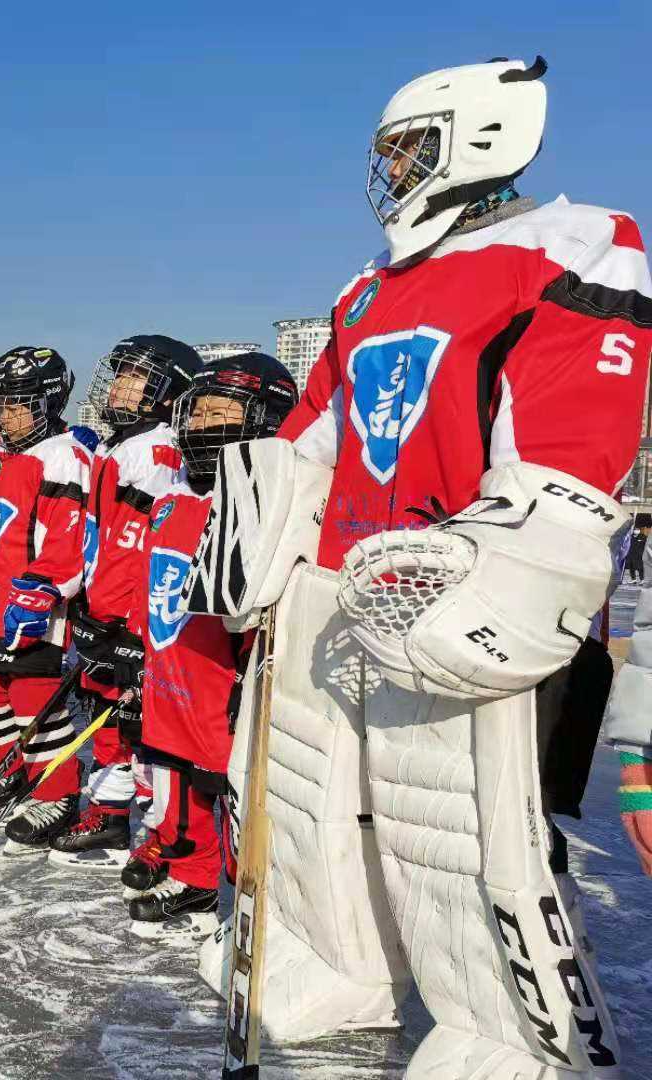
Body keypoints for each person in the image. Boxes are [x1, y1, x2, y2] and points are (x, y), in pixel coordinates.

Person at [184, 57, 647, 1074]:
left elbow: (571, 433)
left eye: (408, 150)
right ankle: (338, 962)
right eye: (387, 152)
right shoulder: (366, 288)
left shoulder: (572, 242)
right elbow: (319, 430)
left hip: (458, 585)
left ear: (477, 137)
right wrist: (260, 534)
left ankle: (513, 1036)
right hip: (345, 585)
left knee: (466, 832)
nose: (390, 171)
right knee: (313, 802)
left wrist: (517, 562)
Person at [125, 353, 295, 940]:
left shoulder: (265, 508)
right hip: (171, 675)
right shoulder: (172, 498)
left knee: (232, 794)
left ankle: (251, 905)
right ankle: (192, 879)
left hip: (222, 683)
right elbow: (150, 585)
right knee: (173, 782)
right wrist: (134, 652)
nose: (201, 426)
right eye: (196, 413)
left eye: (221, 414)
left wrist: (254, 674)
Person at [46, 334, 201, 873]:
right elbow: (102, 536)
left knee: (142, 728)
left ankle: (158, 834)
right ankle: (109, 814)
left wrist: (123, 623)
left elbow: (141, 549)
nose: (119, 386)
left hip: (130, 619)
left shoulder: (154, 452)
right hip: (103, 609)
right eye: (120, 375)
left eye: (136, 378)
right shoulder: (122, 445)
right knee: (108, 718)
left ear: (168, 392)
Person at [0, 346, 91, 852]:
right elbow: (1, 518)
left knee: (34, 699)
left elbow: (69, 533)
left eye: (17, 406)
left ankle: (57, 792)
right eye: (1, 405)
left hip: (31, 604)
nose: (5, 415)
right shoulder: (4, 453)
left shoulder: (64, 457)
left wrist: (45, 587)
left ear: (48, 403)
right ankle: (5, 768)